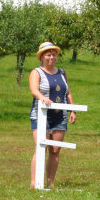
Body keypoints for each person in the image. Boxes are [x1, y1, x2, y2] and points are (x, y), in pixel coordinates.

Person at [29, 41, 76, 188]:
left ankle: (50, 182)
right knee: (40, 148)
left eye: (54, 55)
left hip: (59, 117)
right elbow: (34, 90)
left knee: (55, 150)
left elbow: (67, 93)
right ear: (42, 57)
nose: (51, 57)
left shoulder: (62, 72)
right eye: (48, 55)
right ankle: (34, 182)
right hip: (41, 115)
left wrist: (72, 109)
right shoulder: (36, 72)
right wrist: (42, 98)